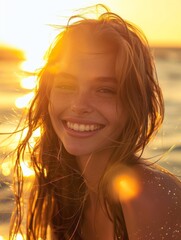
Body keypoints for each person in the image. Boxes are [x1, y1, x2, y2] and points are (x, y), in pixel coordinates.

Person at [9, 4, 181, 240]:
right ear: (48, 94)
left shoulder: (149, 196)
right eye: (67, 85)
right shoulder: (65, 188)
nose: (79, 105)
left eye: (104, 89)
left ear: (136, 102)